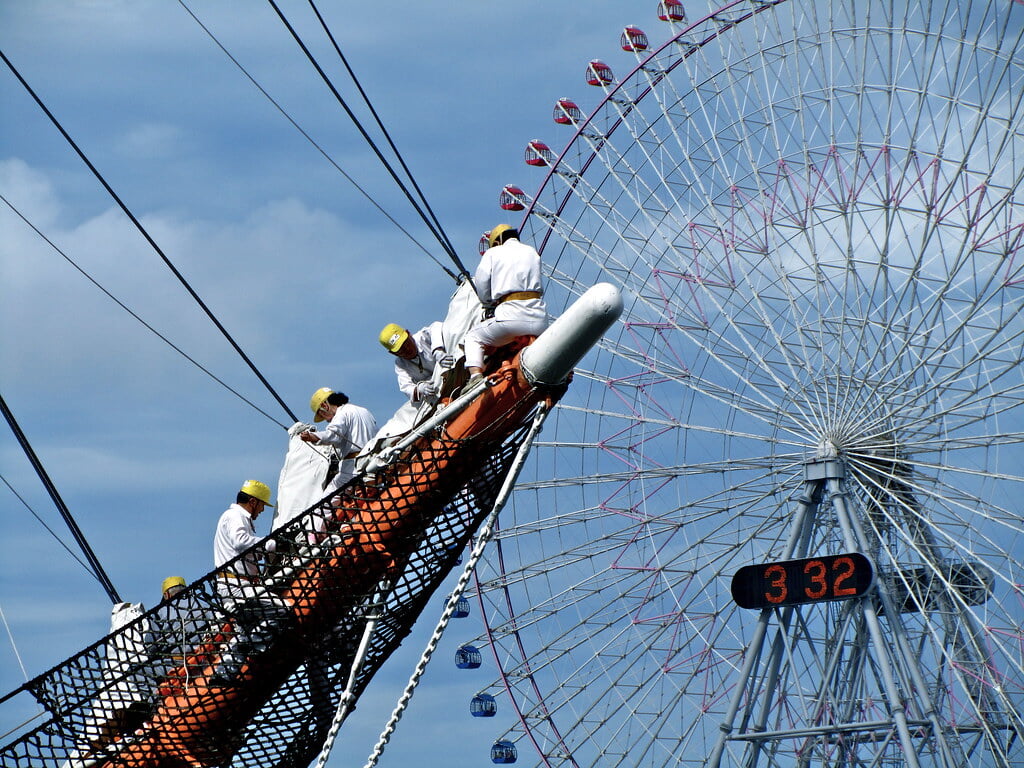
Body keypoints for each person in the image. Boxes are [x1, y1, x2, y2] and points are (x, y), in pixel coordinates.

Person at [211, 480, 291, 686]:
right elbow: (240, 541)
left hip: (235, 586)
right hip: (238, 587)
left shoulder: (236, 518)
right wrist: (273, 543)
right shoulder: (235, 516)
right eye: (262, 504)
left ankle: (222, 675)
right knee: (282, 611)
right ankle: (255, 646)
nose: (263, 510)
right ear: (253, 501)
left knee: (245, 630)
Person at [464, 224, 548, 378]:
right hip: (540, 322)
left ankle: (475, 377)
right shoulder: (532, 252)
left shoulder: (493, 252)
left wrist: (488, 303)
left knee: (472, 337)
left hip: (511, 319)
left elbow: (482, 284)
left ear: (496, 242)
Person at [300, 388, 377, 493]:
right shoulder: (365, 411)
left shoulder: (342, 413)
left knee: (324, 505)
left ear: (324, 406)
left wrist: (312, 436)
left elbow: (333, 434)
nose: (327, 420)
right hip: (373, 465)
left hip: (352, 468)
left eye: (321, 414)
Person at [378, 321, 449, 404]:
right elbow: (406, 387)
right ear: (393, 353)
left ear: (409, 334)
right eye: (401, 350)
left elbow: (436, 326)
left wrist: (438, 350)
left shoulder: (423, 337)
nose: (407, 349)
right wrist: (419, 389)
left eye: (406, 343)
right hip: (436, 392)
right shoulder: (400, 365)